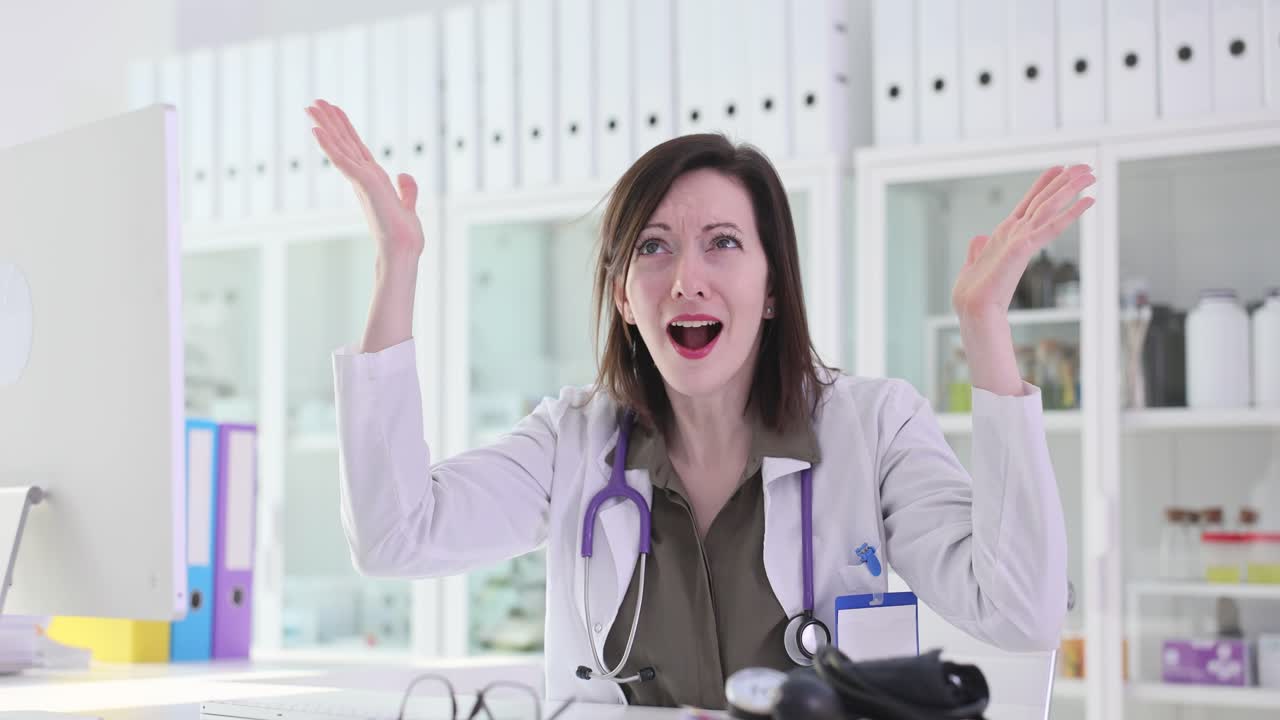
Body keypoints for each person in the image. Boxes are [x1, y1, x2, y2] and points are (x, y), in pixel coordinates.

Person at [308, 97, 1092, 709]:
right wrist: (397, 263)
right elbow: (393, 537)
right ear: (622, 296)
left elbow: (1020, 613)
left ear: (773, 285)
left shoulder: (874, 430)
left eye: (723, 241)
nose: (686, 277)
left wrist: (986, 329)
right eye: (653, 246)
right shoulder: (573, 443)